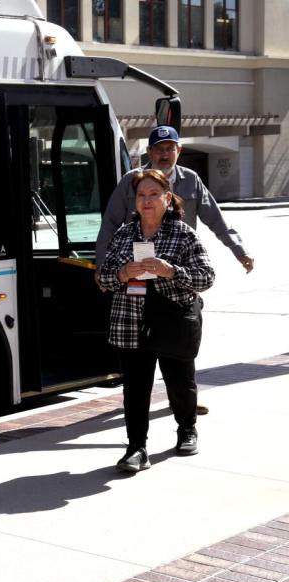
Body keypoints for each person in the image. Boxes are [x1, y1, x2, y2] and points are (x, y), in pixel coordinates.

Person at [95, 125, 252, 416]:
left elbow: (216, 220)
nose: (165, 154)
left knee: (182, 342)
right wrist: (102, 267)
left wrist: (239, 251)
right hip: (139, 279)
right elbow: (110, 224)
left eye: (170, 148)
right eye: (159, 149)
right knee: (142, 346)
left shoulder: (191, 180)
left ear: (178, 151)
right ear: (150, 153)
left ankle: (183, 399)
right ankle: (142, 406)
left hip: (177, 275)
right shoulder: (133, 181)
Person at [98, 169, 215, 473]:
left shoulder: (183, 233)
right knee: (135, 389)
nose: (146, 200)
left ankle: (187, 430)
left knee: (180, 383)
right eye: (141, 195)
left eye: (153, 194)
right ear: (134, 201)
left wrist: (170, 270)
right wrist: (122, 274)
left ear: (167, 198)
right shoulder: (124, 234)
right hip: (131, 321)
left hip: (171, 319)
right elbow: (104, 277)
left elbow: (206, 277)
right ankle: (136, 448)